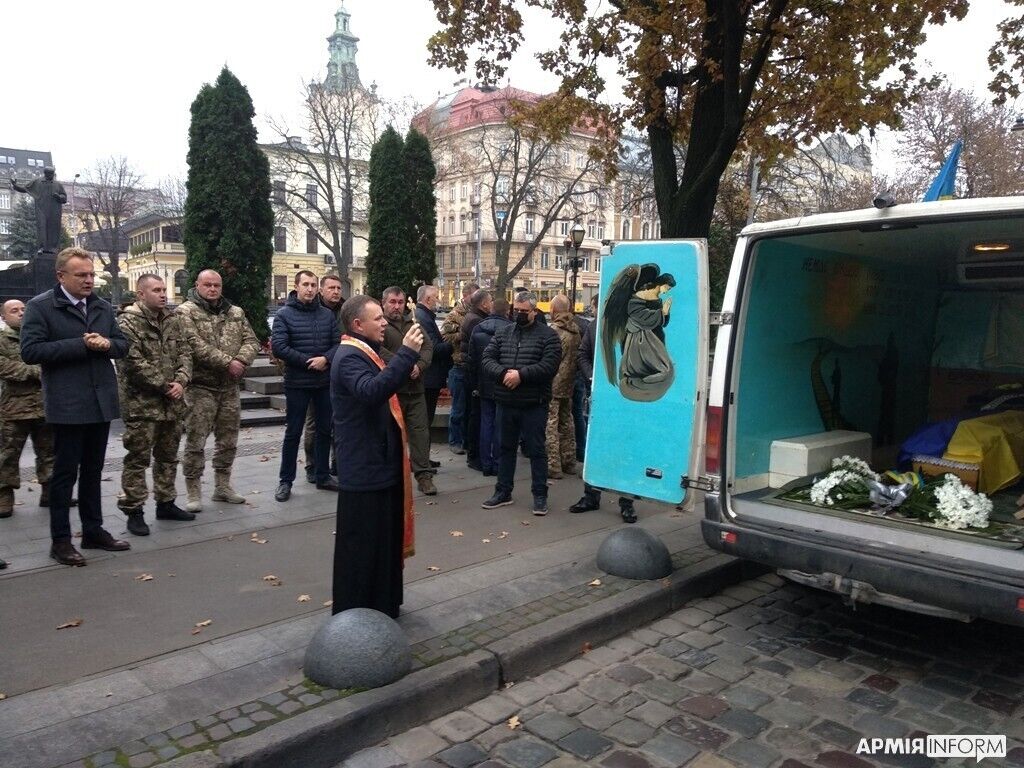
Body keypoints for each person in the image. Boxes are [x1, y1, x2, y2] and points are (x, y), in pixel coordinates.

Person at [20, 247, 131, 566]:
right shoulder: (41, 307)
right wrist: (81, 344)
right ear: (61, 276)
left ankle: (93, 530)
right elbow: (30, 351)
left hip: (100, 401)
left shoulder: (101, 306)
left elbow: (122, 345)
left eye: (92, 274)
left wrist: (108, 344)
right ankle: (61, 540)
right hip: (67, 403)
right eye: (81, 275)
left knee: (94, 470)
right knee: (64, 473)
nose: (89, 280)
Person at [331, 294, 424, 618]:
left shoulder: (366, 351)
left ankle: (383, 605)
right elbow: (373, 392)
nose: (385, 322)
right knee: (363, 546)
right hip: (364, 467)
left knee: (384, 541)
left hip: (380, 463)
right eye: (378, 319)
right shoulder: (349, 357)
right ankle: (357, 616)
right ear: (358, 325)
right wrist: (408, 353)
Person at [116, 275, 194, 535]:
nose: (163, 294)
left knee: (168, 457)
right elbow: (133, 362)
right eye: (156, 290)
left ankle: (166, 502)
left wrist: (181, 381)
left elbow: (185, 353)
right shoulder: (127, 322)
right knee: (138, 459)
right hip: (142, 405)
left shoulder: (173, 320)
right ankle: (134, 510)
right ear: (140, 294)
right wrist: (165, 385)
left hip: (172, 404)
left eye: (164, 290)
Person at [178, 269, 260, 511]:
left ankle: (222, 486)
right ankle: (193, 491)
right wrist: (228, 362)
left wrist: (241, 361)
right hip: (200, 388)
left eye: (216, 285)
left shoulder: (235, 312)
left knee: (228, 441)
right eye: (207, 285)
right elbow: (193, 344)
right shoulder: (186, 312)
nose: (212, 289)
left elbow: (252, 341)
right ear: (197, 285)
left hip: (229, 388)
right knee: (196, 440)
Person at [480, 291, 561, 515]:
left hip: (533, 403)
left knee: (536, 450)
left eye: (524, 311)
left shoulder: (548, 336)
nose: (519, 315)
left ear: (535, 311)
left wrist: (521, 375)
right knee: (505, 448)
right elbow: (487, 359)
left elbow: (550, 366)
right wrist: (505, 373)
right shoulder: (503, 332)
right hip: (506, 401)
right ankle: (503, 491)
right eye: (517, 310)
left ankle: (540, 495)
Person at [272, 270, 339, 502]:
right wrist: (309, 362)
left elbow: (338, 343)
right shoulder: (283, 315)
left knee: (323, 430)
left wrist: (326, 359)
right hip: (297, 383)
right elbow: (279, 347)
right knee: (293, 432)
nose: (310, 289)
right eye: (306, 285)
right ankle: (285, 481)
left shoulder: (327, 315)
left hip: (323, 382)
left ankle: (322, 476)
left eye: (313, 285)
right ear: (297, 286)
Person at [570, 293, 637, 523]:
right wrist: (591, 378)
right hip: (599, 395)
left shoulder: (633, 327)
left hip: (625, 397)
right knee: (594, 446)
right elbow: (582, 354)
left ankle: (626, 502)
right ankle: (591, 495)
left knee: (624, 448)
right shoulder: (594, 327)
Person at [0, 299, 54, 518]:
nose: (21, 313)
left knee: (50, 452)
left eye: (24, 309)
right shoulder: (2, 340)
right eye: (14, 311)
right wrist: (35, 371)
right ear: (4, 317)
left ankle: (51, 493)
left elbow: (54, 358)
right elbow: (4, 367)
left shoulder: (39, 337)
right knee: (7, 455)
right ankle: (4, 498)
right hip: (14, 408)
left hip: (45, 405)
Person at [380, 286, 436, 495]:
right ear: (384, 302)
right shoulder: (380, 325)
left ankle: (424, 476)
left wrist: (419, 366)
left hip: (415, 390)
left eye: (400, 302)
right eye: (392, 302)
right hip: (392, 391)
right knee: (390, 436)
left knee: (420, 434)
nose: (396, 306)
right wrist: (402, 365)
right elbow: (378, 349)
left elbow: (428, 347)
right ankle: (389, 477)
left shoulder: (414, 323)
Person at [602, 264, 676, 402]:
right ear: (661, 284)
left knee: (660, 368)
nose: (666, 291)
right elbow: (638, 315)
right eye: (667, 287)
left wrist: (666, 312)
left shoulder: (657, 298)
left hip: (655, 338)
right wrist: (662, 312)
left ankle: (647, 386)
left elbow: (662, 322)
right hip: (640, 340)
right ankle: (638, 387)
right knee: (646, 368)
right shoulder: (638, 296)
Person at [302, 274, 345, 483]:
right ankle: (313, 465)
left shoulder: (346, 311)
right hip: (317, 374)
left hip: (341, 374)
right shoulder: (313, 309)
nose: (336, 292)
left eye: (338, 288)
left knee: (339, 422)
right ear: (321, 290)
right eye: (331, 288)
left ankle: (338, 462)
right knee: (314, 422)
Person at [468, 299, 510, 476]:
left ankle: (486, 463)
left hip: (484, 383)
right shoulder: (511, 329)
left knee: (486, 422)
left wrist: (475, 383)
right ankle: (499, 463)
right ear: (507, 311)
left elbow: (472, 359)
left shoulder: (478, 328)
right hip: (504, 382)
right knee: (501, 424)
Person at [414, 284, 451, 463]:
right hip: (429, 377)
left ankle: (424, 458)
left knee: (426, 419)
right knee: (425, 419)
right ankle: (421, 460)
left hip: (430, 376)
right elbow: (433, 348)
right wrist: (452, 344)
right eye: (436, 297)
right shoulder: (423, 317)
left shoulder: (423, 316)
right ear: (428, 299)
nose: (438, 300)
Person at [545, 295, 581, 479]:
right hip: (569, 383)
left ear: (553, 310)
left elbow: (550, 359)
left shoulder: (554, 331)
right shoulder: (575, 330)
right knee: (567, 422)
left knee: (550, 424)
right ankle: (569, 462)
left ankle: (553, 466)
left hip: (553, 384)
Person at [440, 282, 479, 454]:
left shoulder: (477, 313)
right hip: (459, 366)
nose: (476, 298)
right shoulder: (455, 315)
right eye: (474, 295)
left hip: (473, 366)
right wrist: (464, 335)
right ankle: (454, 441)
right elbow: (445, 337)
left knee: (471, 409)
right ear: (466, 296)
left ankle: (467, 441)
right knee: (458, 409)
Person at [461, 289, 492, 471]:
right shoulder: (476, 321)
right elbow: (478, 350)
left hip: (471, 372)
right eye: (489, 300)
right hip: (475, 375)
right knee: (476, 416)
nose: (491, 303)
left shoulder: (473, 317)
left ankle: (473, 454)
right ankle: (474, 456)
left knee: (474, 415)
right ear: (483, 304)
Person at [10, 166, 67, 254]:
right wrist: (15, 185)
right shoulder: (38, 182)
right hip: (41, 209)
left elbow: (64, 198)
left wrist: (59, 197)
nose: (52, 175)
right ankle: (42, 248)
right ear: (45, 173)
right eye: (50, 174)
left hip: (54, 211)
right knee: (42, 228)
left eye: (52, 173)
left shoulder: (58, 185)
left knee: (53, 229)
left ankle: (53, 248)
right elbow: (25, 189)